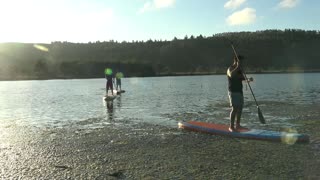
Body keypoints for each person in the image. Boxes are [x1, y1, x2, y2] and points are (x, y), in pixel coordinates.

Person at [227, 55, 253, 132]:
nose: (242, 64)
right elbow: (231, 75)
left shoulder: (240, 70)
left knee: (240, 108)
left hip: (239, 91)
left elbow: (244, 79)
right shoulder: (230, 68)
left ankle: (238, 125)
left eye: (242, 62)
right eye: (241, 62)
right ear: (236, 61)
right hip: (233, 91)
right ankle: (231, 127)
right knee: (234, 108)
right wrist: (238, 67)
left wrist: (249, 79)